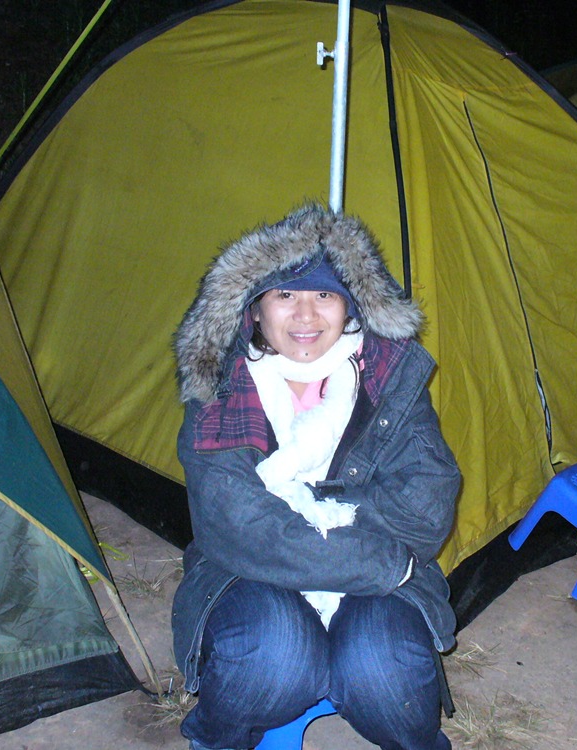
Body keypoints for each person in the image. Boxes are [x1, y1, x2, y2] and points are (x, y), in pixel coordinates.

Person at [170, 204, 460, 750]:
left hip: (376, 578)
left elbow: (426, 504)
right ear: (255, 309)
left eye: (324, 294)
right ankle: (215, 739)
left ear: (350, 305)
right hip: (248, 571)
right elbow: (234, 523)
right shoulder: (220, 389)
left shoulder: (388, 375)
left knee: (385, 671)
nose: (305, 315)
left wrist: (299, 506)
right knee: (272, 656)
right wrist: (374, 557)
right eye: (285, 294)